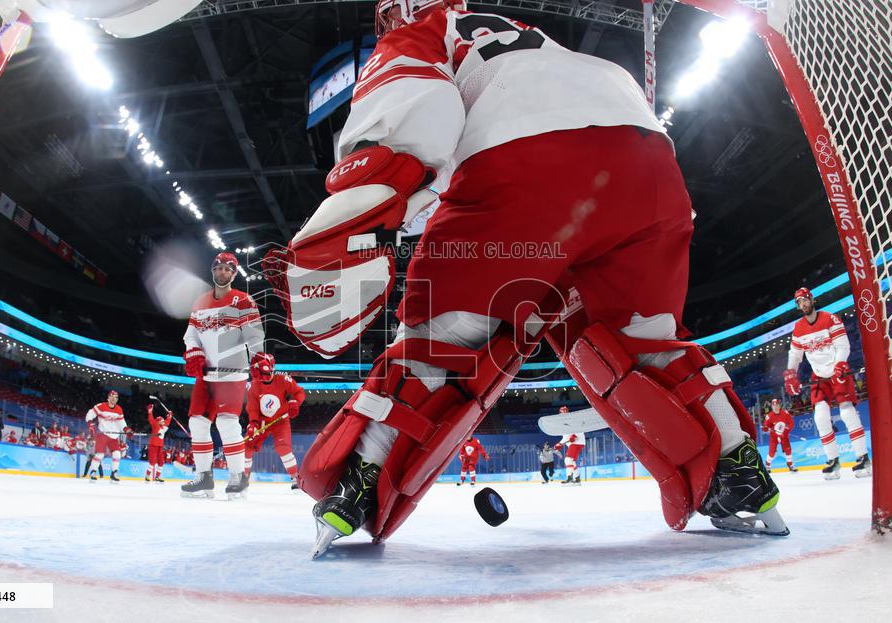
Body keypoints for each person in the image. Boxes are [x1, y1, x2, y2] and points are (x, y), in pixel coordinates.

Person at [265, 0, 786, 556]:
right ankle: (740, 478)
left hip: (528, 169)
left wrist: (367, 202)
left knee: (441, 348)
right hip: (649, 164)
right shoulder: (533, 41)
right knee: (644, 344)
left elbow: (408, 99)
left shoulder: (427, 28)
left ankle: (355, 491)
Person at [180, 252, 265, 500]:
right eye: (219, 268)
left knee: (227, 423)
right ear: (213, 271)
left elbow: (254, 335)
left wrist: (258, 358)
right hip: (205, 375)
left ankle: (238, 478)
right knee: (197, 423)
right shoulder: (200, 302)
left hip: (233, 373)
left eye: (228, 269)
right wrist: (193, 351)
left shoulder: (243, 300)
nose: (223, 273)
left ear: (234, 274)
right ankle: (204, 478)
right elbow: (191, 334)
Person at [784, 287, 871, 479]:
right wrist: (790, 373)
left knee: (847, 412)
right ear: (798, 306)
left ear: (812, 300)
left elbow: (843, 345)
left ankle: (863, 458)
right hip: (819, 377)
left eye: (805, 300)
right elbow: (795, 355)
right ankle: (833, 461)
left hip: (838, 372)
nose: (803, 304)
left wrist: (840, 364)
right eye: (799, 302)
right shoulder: (798, 328)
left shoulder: (830, 319)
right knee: (820, 417)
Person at [243, 353, 306, 490]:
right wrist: (253, 423)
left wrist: (295, 402)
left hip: (281, 421)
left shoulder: (284, 380)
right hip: (262, 422)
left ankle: (295, 477)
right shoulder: (252, 386)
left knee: (283, 448)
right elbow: (253, 408)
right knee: (247, 445)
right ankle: (244, 477)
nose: (254, 375)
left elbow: (299, 392)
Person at [84, 390, 127, 483]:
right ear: (108, 398)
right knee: (100, 454)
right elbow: (90, 414)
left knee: (117, 454)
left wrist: (126, 429)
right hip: (102, 434)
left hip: (114, 436)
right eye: (112, 397)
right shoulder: (101, 406)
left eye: (115, 398)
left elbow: (121, 422)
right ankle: (93, 472)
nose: (113, 399)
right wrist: (90, 424)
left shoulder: (119, 409)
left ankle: (114, 474)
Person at [762, 398, 797, 472]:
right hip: (774, 436)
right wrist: (765, 428)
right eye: (773, 405)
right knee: (772, 452)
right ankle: (767, 465)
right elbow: (765, 426)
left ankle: (790, 464)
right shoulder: (769, 416)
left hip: (784, 435)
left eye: (777, 405)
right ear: (772, 406)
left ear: (779, 405)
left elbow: (791, 423)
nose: (775, 407)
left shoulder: (785, 413)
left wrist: (786, 431)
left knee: (788, 450)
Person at [145, 404, 172, 483]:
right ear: (158, 422)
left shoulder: (164, 426)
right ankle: (147, 476)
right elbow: (151, 419)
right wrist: (150, 412)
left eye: (163, 421)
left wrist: (170, 415)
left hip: (160, 446)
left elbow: (167, 421)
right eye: (162, 421)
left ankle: (157, 477)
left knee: (161, 462)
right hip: (153, 446)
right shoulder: (155, 425)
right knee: (152, 462)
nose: (164, 422)